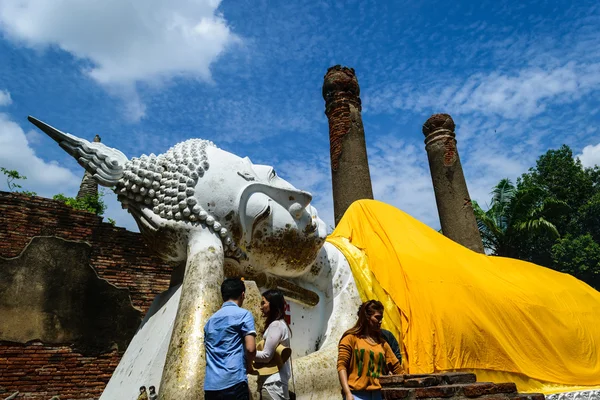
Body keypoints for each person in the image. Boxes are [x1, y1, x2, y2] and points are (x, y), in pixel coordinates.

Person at [337, 300, 402, 400]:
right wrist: (348, 393)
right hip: (356, 395)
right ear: (367, 318)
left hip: (378, 395)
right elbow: (342, 366)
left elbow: (397, 369)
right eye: (377, 317)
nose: (380, 321)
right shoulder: (350, 339)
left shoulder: (383, 343)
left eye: (381, 318)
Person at [204, 277, 257, 400]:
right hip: (234, 382)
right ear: (242, 295)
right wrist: (249, 366)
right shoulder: (244, 315)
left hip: (211, 386)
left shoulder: (210, 321)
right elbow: (250, 349)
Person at [254, 289, 292, 400]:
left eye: (264, 303)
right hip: (276, 383)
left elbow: (266, 356)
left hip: (272, 384)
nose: (261, 307)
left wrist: (248, 353)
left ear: (273, 304)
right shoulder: (280, 324)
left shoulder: (276, 325)